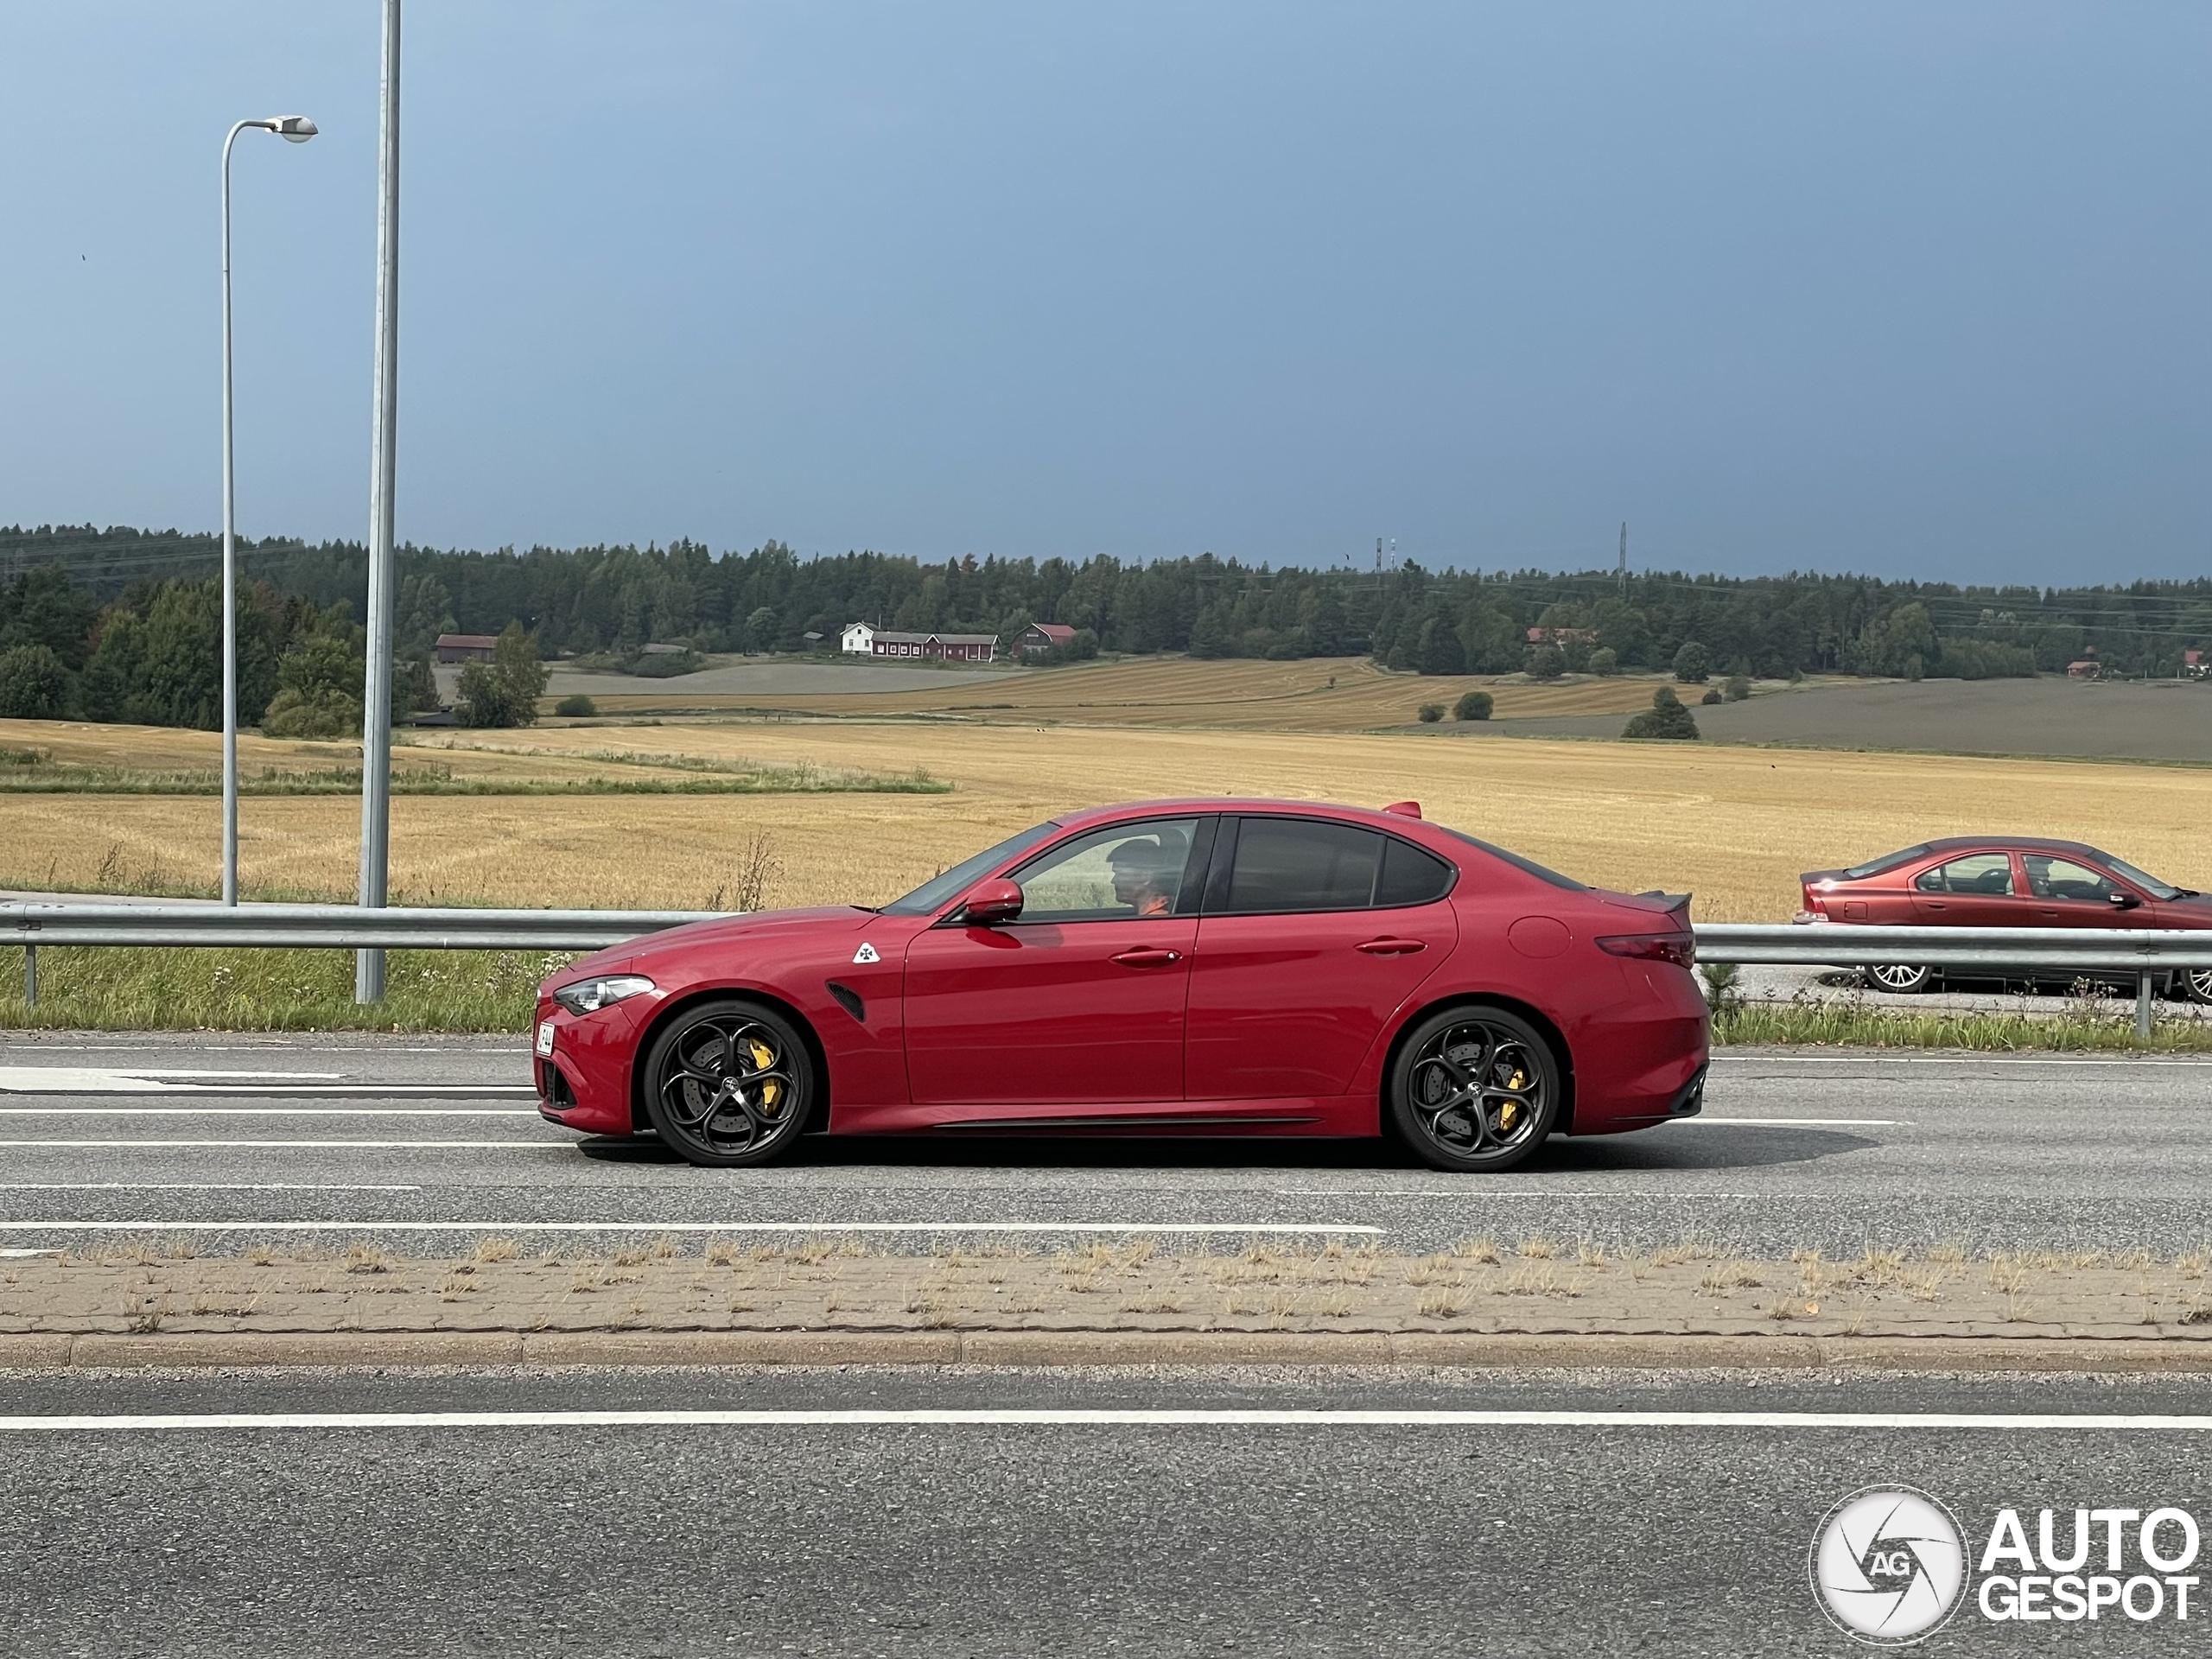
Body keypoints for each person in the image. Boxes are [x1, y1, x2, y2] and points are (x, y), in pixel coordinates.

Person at [1107, 836, 1182, 918]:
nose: (1113, 881)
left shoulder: (1157, 920)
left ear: (1146, 877)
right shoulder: (1158, 913)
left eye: (1120, 874)